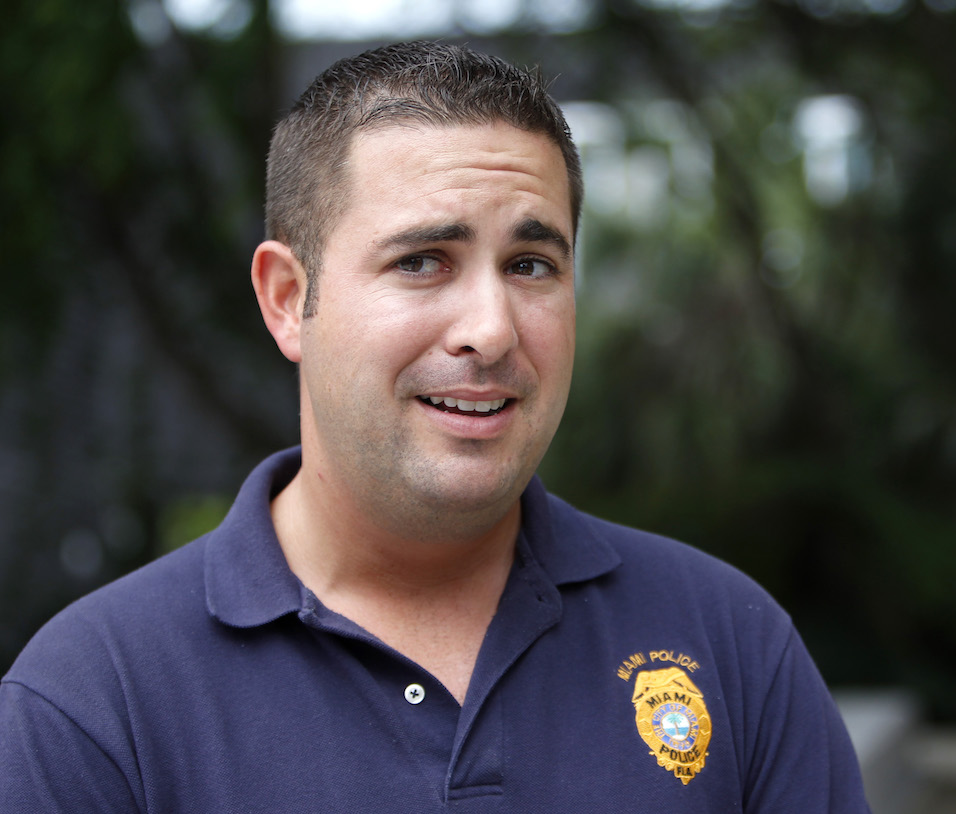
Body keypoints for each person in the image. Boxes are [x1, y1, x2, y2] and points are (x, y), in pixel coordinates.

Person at [0, 42, 870, 812]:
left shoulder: (726, 641)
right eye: (422, 262)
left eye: (530, 264)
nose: (489, 329)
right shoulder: (94, 703)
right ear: (287, 300)